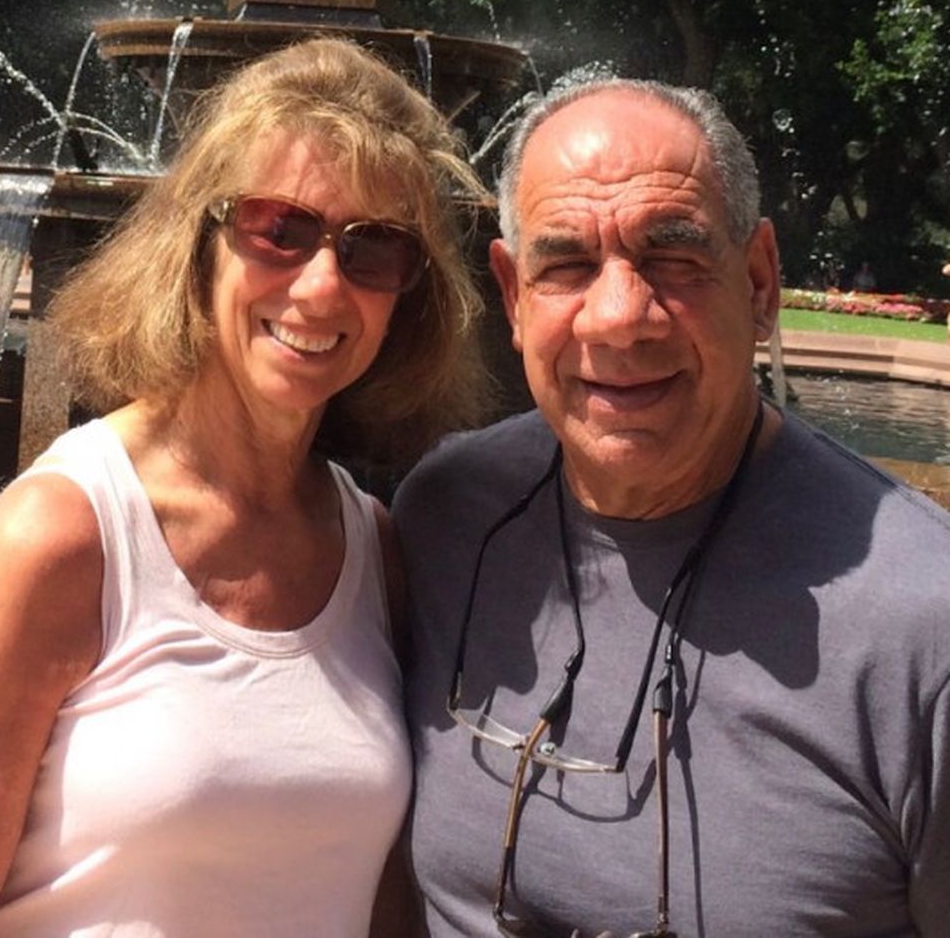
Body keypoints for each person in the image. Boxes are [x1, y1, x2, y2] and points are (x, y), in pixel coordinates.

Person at [393, 78, 950, 936]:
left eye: (673, 257)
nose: (620, 317)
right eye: (566, 264)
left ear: (759, 282)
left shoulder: (924, 623)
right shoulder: (445, 520)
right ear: (512, 295)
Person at [0, 38, 488, 936]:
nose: (322, 287)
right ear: (200, 244)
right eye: (278, 229)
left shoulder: (374, 549)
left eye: (374, 249)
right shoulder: (61, 535)